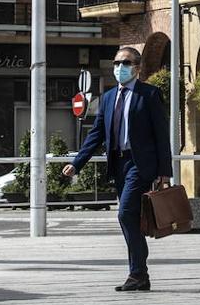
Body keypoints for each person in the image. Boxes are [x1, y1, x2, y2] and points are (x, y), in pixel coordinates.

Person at [63, 46, 172, 292]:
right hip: (118, 164)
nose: (119, 68)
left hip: (140, 164)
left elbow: (161, 136)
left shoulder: (150, 95)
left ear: (137, 67)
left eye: (125, 63)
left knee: (124, 214)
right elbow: (97, 134)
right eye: (116, 63)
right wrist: (77, 162)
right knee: (129, 218)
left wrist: (165, 172)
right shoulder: (109, 97)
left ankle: (137, 272)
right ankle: (140, 275)